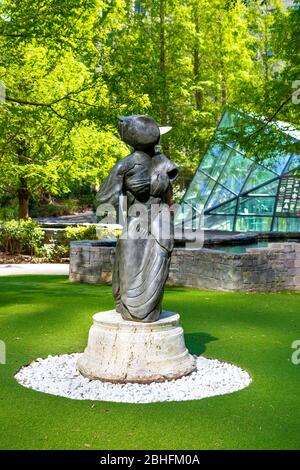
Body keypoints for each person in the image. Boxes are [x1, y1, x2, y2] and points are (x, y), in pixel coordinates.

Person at [97, 115, 178, 322]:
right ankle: (147, 312)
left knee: (133, 270)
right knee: (154, 268)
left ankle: (136, 311)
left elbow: (104, 199)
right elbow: (170, 201)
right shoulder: (166, 163)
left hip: (137, 222)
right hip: (162, 223)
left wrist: (122, 196)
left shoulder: (125, 165)